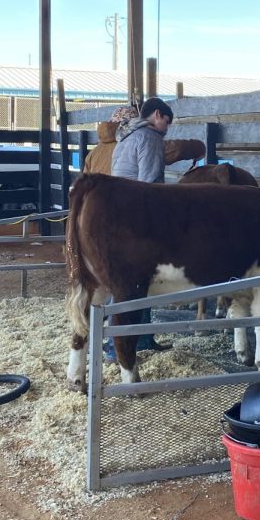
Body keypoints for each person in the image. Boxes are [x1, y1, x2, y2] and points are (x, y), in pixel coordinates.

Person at [103, 97, 180, 360]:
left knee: (130, 280)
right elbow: (150, 184)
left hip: (117, 212)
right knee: (133, 282)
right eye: (166, 121)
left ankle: (141, 339)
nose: (167, 128)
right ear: (157, 114)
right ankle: (117, 345)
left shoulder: (124, 137)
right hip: (138, 216)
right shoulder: (150, 137)